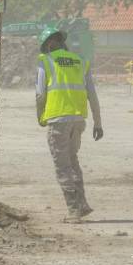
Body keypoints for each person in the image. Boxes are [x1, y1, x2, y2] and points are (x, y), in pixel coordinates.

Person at [36, 27, 103, 222]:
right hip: (78, 120)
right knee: (72, 161)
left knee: (62, 166)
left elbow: (40, 94)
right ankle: (82, 204)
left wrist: (41, 117)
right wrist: (98, 123)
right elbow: (92, 95)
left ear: (49, 45)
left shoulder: (45, 61)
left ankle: (74, 210)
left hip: (58, 120)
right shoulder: (80, 61)